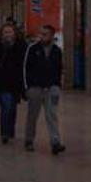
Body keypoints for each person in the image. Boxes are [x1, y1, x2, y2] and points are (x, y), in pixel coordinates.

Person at [23, 24, 66, 154]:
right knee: (32, 115)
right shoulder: (32, 49)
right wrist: (27, 87)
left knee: (52, 115)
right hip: (35, 87)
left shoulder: (57, 51)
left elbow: (59, 69)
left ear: (52, 35)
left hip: (51, 87)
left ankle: (55, 142)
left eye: (45, 34)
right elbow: (26, 68)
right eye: (41, 34)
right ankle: (29, 140)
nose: (42, 36)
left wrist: (57, 86)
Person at [0, 22, 26, 145]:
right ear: (1, 34)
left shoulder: (21, 46)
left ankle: (10, 130)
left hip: (16, 83)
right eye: (5, 32)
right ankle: (5, 133)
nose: (7, 34)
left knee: (12, 107)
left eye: (10, 32)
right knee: (6, 105)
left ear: (15, 34)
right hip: (0, 83)